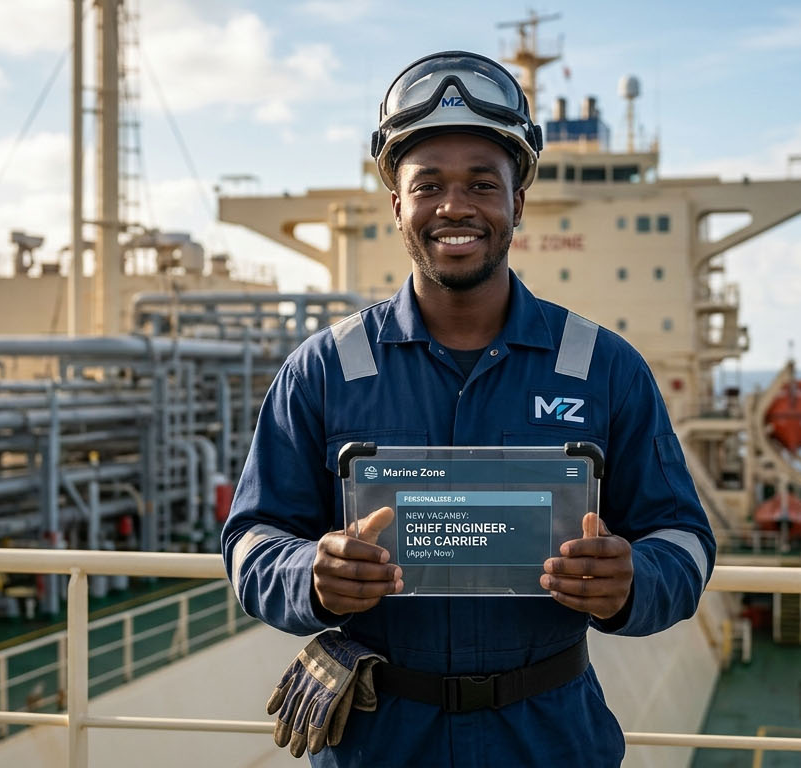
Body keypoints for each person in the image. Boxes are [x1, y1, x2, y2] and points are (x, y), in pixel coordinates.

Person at [222, 50, 714, 767]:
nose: (455, 206)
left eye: (483, 183)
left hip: (548, 741)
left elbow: (684, 541)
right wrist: (311, 576)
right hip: (379, 742)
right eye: (429, 185)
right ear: (398, 206)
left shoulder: (604, 369)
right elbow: (251, 539)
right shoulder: (324, 370)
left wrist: (633, 580)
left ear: (518, 203)